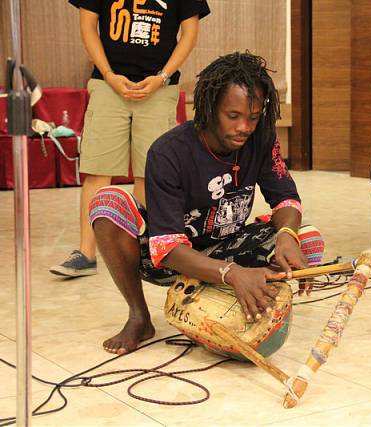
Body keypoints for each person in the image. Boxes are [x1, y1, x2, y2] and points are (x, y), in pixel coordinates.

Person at [88, 52, 323, 355]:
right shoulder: (168, 152)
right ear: (210, 108)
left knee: (308, 239)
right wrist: (231, 273)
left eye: (253, 117)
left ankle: (240, 306)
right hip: (172, 259)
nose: (245, 127)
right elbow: (167, 248)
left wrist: (287, 236)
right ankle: (139, 317)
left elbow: (285, 198)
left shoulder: (261, 139)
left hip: (228, 247)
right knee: (108, 203)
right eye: (233, 116)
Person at [50, 0, 210, 277]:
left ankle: (139, 252)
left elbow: (190, 33)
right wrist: (109, 75)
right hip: (107, 85)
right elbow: (88, 25)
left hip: (159, 88)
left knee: (150, 173)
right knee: (98, 170)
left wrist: (162, 77)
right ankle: (86, 254)